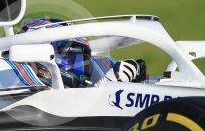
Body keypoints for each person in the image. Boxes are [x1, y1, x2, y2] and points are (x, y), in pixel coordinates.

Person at [18, 18, 146, 88]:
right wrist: (108, 84)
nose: (82, 69)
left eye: (82, 60)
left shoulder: (100, 65)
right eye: (73, 60)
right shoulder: (19, 84)